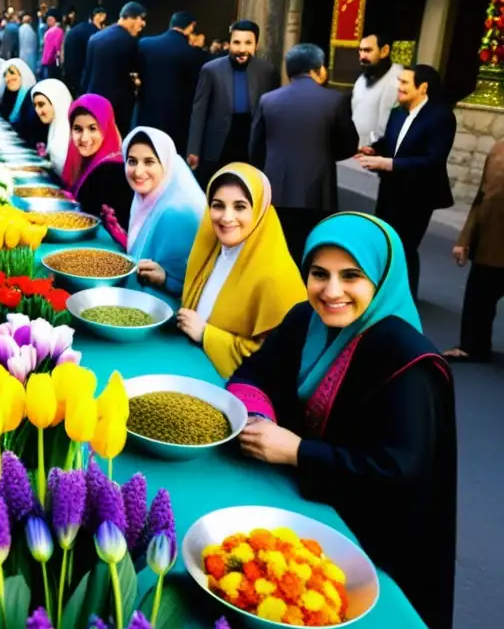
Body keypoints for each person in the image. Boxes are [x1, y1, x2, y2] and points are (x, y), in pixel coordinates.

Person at [228, 212, 456, 629]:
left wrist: (298, 452)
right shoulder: (305, 319)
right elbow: (253, 373)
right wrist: (258, 417)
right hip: (296, 511)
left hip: (370, 551)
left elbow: (397, 474)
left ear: (382, 279)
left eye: (351, 275)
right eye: (319, 274)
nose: (331, 291)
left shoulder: (409, 362)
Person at [177, 163, 306, 378]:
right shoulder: (213, 248)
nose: (226, 217)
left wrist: (207, 335)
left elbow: (274, 361)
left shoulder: (276, 277)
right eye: (218, 206)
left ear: (259, 210)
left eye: (239, 207)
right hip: (191, 363)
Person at [250, 43, 358, 264]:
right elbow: (349, 144)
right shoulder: (335, 100)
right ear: (318, 69)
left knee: (279, 250)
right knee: (312, 250)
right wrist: (324, 155)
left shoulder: (268, 100)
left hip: (277, 190)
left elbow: (255, 148)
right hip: (318, 190)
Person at [358, 65, 455, 297]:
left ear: (423, 88)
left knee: (405, 247)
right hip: (391, 189)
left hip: (419, 194)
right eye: (398, 81)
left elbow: (433, 160)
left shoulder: (441, 117)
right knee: (383, 241)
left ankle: (405, 299)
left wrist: (388, 164)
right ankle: (381, 292)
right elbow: (393, 143)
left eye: (404, 83)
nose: (398, 87)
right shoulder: (398, 111)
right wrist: (373, 150)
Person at [102, 127, 205, 298]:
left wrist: (167, 279)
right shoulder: (150, 197)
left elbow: (191, 283)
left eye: (149, 162)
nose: (138, 171)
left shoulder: (177, 211)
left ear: (166, 164)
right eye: (132, 161)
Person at [188, 19, 279, 187]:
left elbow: (272, 114)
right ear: (229, 43)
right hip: (218, 143)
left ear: (256, 45)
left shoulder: (267, 70)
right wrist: (193, 148)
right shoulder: (211, 69)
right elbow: (199, 111)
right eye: (236, 42)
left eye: (248, 43)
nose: (242, 49)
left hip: (251, 141)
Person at [445, 141, 504, 363]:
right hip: (491, 243)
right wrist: (465, 238)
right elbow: (481, 197)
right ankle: (473, 347)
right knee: (478, 301)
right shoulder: (499, 148)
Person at [135, 11, 206, 156]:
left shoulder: (145, 44)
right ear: (191, 27)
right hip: (177, 120)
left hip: (147, 113)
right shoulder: (193, 54)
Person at [61, 95, 131, 225]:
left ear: (105, 127)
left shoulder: (113, 172)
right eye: (78, 129)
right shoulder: (86, 162)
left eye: (92, 128)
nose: (84, 138)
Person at [82, 2, 146, 136]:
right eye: (141, 20)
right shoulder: (130, 41)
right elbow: (134, 70)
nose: (142, 26)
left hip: (94, 97)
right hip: (118, 104)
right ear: (131, 18)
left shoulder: (95, 37)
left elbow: (87, 72)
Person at [352, 31, 403, 147]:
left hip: (375, 152)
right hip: (356, 148)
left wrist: (373, 146)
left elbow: (386, 123)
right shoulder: (362, 78)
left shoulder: (397, 79)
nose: (362, 56)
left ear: (384, 51)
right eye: (360, 50)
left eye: (368, 50)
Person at [30, 78, 73, 175]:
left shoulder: (69, 133)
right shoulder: (55, 127)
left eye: (41, 105)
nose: (38, 111)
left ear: (56, 102)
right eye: (35, 105)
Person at [62, 6, 107, 96]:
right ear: (99, 16)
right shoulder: (94, 34)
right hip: (83, 80)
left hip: (69, 77)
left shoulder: (76, 29)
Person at [0, 58, 37, 126]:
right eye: (5, 75)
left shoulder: (31, 100)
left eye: (12, 73)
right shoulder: (3, 96)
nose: (8, 78)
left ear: (22, 75)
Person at [40, 8, 64, 80]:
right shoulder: (56, 30)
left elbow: (57, 48)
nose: (48, 21)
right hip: (51, 61)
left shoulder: (56, 31)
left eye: (50, 19)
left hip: (51, 61)